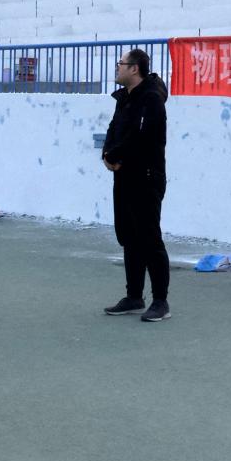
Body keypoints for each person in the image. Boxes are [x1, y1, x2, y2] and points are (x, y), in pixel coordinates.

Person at [101, 48, 172, 322]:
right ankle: (134, 296)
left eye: (121, 63)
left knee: (149, 238)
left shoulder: (151, 99)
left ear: (134, 68)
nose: (117, 67)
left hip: (146, 177)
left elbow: (141, 137)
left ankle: (161, 301)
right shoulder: (124, 98)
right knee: (129, 236)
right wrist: (107, 155)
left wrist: (117, 156)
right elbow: (113, 129)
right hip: (124, 177)